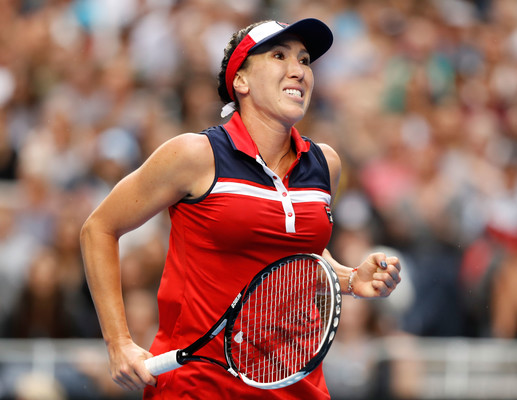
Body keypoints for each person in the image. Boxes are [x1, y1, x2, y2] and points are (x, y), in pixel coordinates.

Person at [80, 18, 401, 399]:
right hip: (198, 386)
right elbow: (98, 229)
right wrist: (119, 342)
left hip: (298, 386)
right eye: (279, 56)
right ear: (241, 82)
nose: (298, 70)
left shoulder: (325, 163)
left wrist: (349, 279)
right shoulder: (194, 155)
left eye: (304, 60)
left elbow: (295, 259)